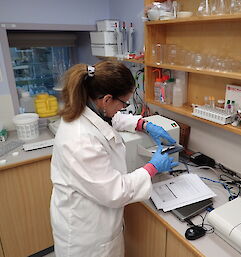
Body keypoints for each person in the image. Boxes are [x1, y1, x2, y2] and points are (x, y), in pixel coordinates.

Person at [50, 60, 179, 257]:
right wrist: (152, 168)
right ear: (107, 99)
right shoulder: (80, 140)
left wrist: (142, 124)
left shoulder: (87, 108)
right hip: (87, 233)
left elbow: (110, 118)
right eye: (124, 103)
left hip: (94, 218)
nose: (123, 108)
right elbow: (114, 192)